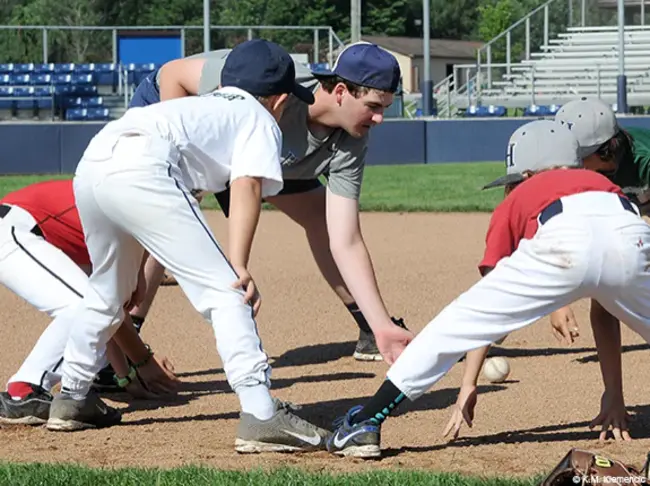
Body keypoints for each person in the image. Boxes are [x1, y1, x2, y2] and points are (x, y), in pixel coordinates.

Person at [44, 39, 333, 454]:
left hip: (95, 159)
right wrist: (239, 265)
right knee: (227, 290)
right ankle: (261, 414)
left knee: (107, 290)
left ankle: (71, 395)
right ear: (281, 98)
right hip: (145, 164)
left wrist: (137, 269)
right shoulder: (257, 115)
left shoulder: (203, 106)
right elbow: (247, 183)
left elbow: (154, 201)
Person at [326, 119, 648, 458]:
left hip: (561, 241)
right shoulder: (602, 182)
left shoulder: (523, 194)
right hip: (630, 234)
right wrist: (615, 391)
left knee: (452, 326)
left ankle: (366, 422)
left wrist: (468, 382)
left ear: (529, 173)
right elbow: (607, 284)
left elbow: (484, 313)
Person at [127, 41, 413, 363]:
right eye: (374, 106)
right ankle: (120, 350)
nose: (379, 119)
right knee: (172, 216)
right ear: (341, 91)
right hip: (170, 109)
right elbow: (174, 74)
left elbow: (346, 240)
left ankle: (371, 329)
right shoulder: (275, 81)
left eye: (385, 108)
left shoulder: (351, 138)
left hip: (260, 153)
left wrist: (382, 324)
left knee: (321, 218)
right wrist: (181, 162)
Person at [0, 180, 178, 425]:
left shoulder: (124, 212)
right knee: (84, 307)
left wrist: (125, 375)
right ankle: (23, 389)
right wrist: (142, 361)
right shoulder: (130, 214)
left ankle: (50, 385)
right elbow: (102, 308)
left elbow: (110, 313)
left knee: (90, 307)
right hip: (13, 230)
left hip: (22, 231)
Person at [549, 97, 650, 344]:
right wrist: (556, 302)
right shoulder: (566, 170)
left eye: (577, 154)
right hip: (624, 211)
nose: (568, 161)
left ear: (607, 149)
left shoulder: (644, 159)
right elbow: (551, 232)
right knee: (606, 282)